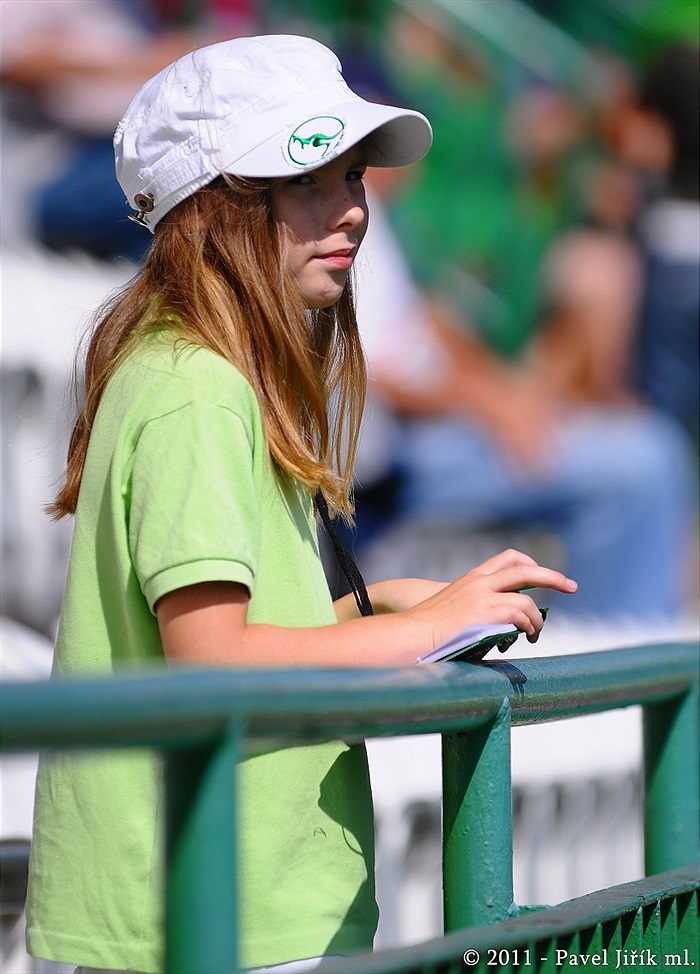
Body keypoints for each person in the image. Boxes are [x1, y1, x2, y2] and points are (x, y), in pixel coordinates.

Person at [24, 35, 577, 974]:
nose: (353, 208)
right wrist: (419, 631)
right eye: (308, 179)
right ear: (216, 206)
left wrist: (384, 603)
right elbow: (214, 664)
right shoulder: (195, 387)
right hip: (208, 921)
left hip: (234, 910)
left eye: (353, 175)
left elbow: (228, 636)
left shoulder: (209, 372)